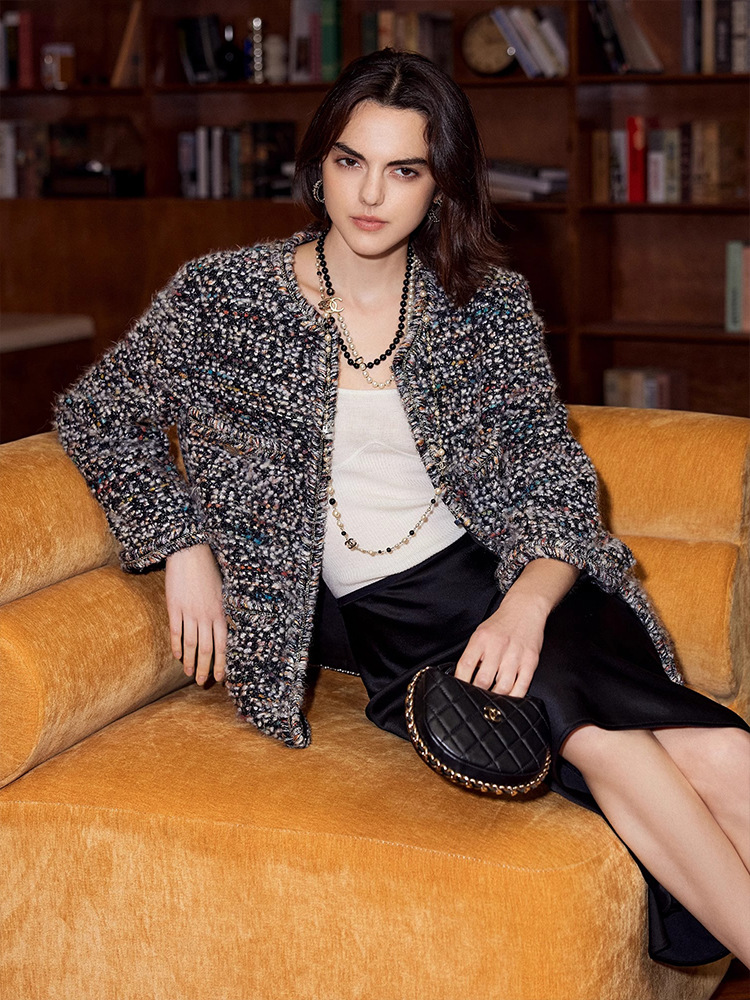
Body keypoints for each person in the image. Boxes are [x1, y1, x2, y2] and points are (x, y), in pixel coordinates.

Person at [53, 48, 749, 969]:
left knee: (722, 757)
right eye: (351, 161)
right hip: (399, 621)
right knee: (616, 742)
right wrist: (181, 543)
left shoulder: (486, 306)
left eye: (405, 169)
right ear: (319, 166)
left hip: (522, 581)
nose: (371, 194)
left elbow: (554, 485)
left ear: (440, 186)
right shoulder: (224, 298)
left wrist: (525, 606)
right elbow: (97, 414)